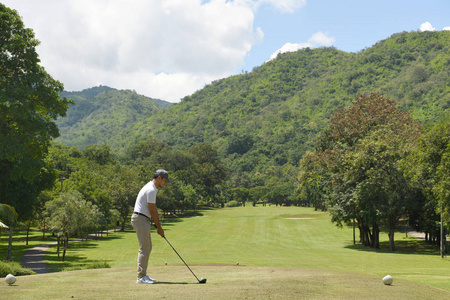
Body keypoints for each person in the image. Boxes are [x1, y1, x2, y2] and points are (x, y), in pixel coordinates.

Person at [131, 169, 169, 284]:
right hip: (140, 219)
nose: (165, 183)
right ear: (159, 178)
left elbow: (153, 209)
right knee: (144, 248)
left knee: (147, 247)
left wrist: (159, 227)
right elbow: (152, 211)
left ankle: (143, 275)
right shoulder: (151, 189)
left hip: (142, 219)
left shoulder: (151, 188)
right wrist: (159, 228)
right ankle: (141, 277)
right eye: (165, 181)